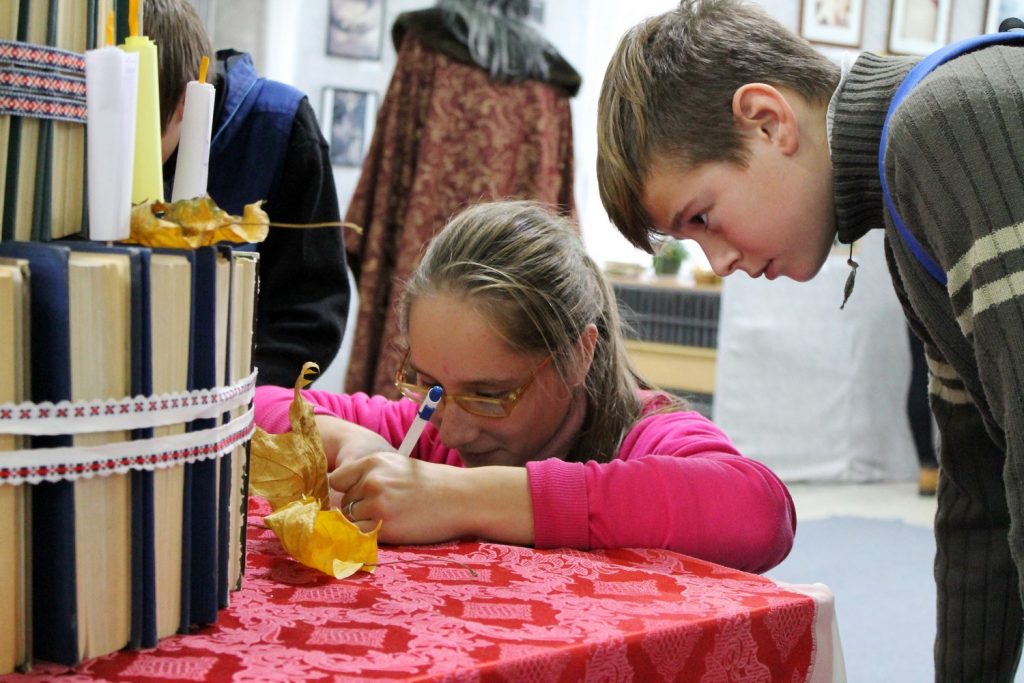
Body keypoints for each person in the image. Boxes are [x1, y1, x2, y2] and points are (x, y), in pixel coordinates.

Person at [596, 0, 1024, 678]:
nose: (718, 263)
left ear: (768, 121)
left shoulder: (943, 127)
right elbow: (979, 493)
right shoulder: (905, 213)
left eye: (702, 218)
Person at [255, 200, 796, 573]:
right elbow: (251, 405)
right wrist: (351, 443)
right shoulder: (427, 429)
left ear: (579, 353)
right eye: (427, 382)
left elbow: (760, 514)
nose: (454, 429)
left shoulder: (643, 435)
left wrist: (461, 497)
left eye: (489, 395)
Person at [145, 0, 350, 387]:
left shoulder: (281, 126)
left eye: (140, 131)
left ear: (185, 104)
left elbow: (311, 315)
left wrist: (233, 394)